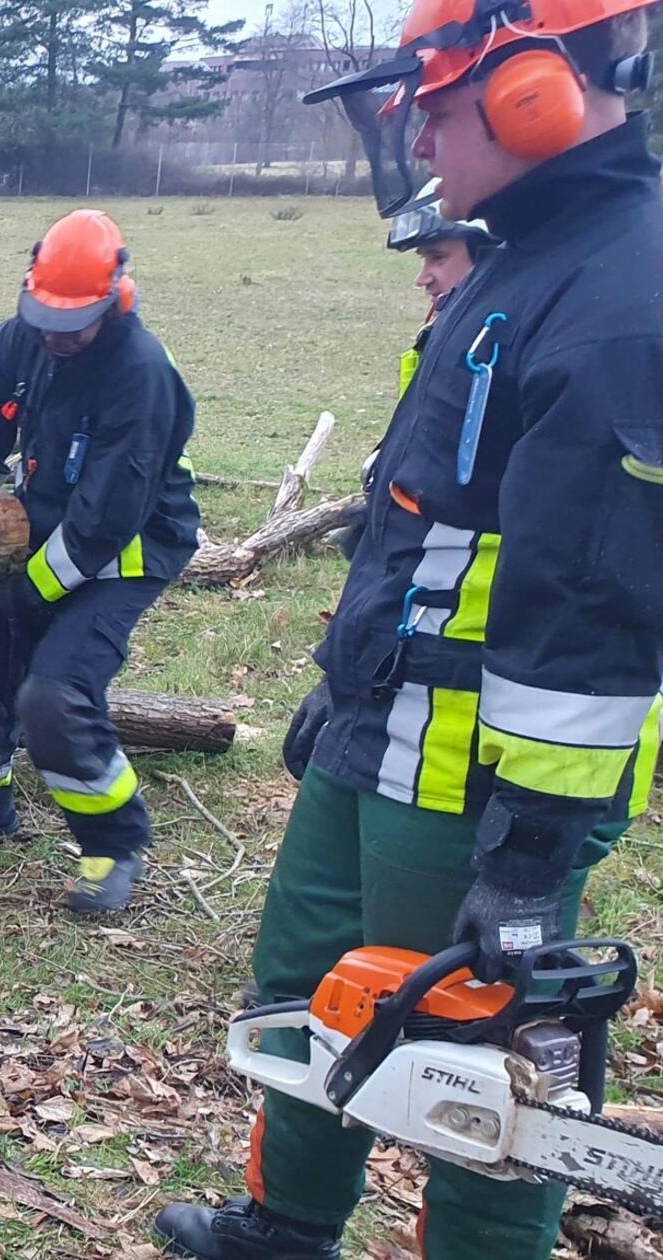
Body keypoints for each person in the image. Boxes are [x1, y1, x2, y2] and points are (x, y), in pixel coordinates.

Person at [156, 0, 663, 1252]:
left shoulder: (620, 297)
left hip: (480, 777)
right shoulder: (514, 261)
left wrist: (530, 850)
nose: (417, 138)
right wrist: (342, 679)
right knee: (306, 992)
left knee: (480, 1076)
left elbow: (592, 609)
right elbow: (422, 521)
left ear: (529, 91)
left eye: (434, 107)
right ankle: (285, 1225)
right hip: (380, 725)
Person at [0, 209, 200, 915]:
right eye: (44, 318)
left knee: (54, 696)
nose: (55, 334)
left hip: (128, 547)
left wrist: (27, 595)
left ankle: (114, 842)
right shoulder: (17, 342)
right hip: (43, 531)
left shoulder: (139, 373)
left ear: (114, 302)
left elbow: (104, 520)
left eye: (72, 324)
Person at [283, 193, 499, 776]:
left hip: (440, 684)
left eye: (438, 257)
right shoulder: (446, 352)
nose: (423, 278)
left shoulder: (492, 375)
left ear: (495, 257)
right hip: (394, 650)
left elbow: (427, 548)